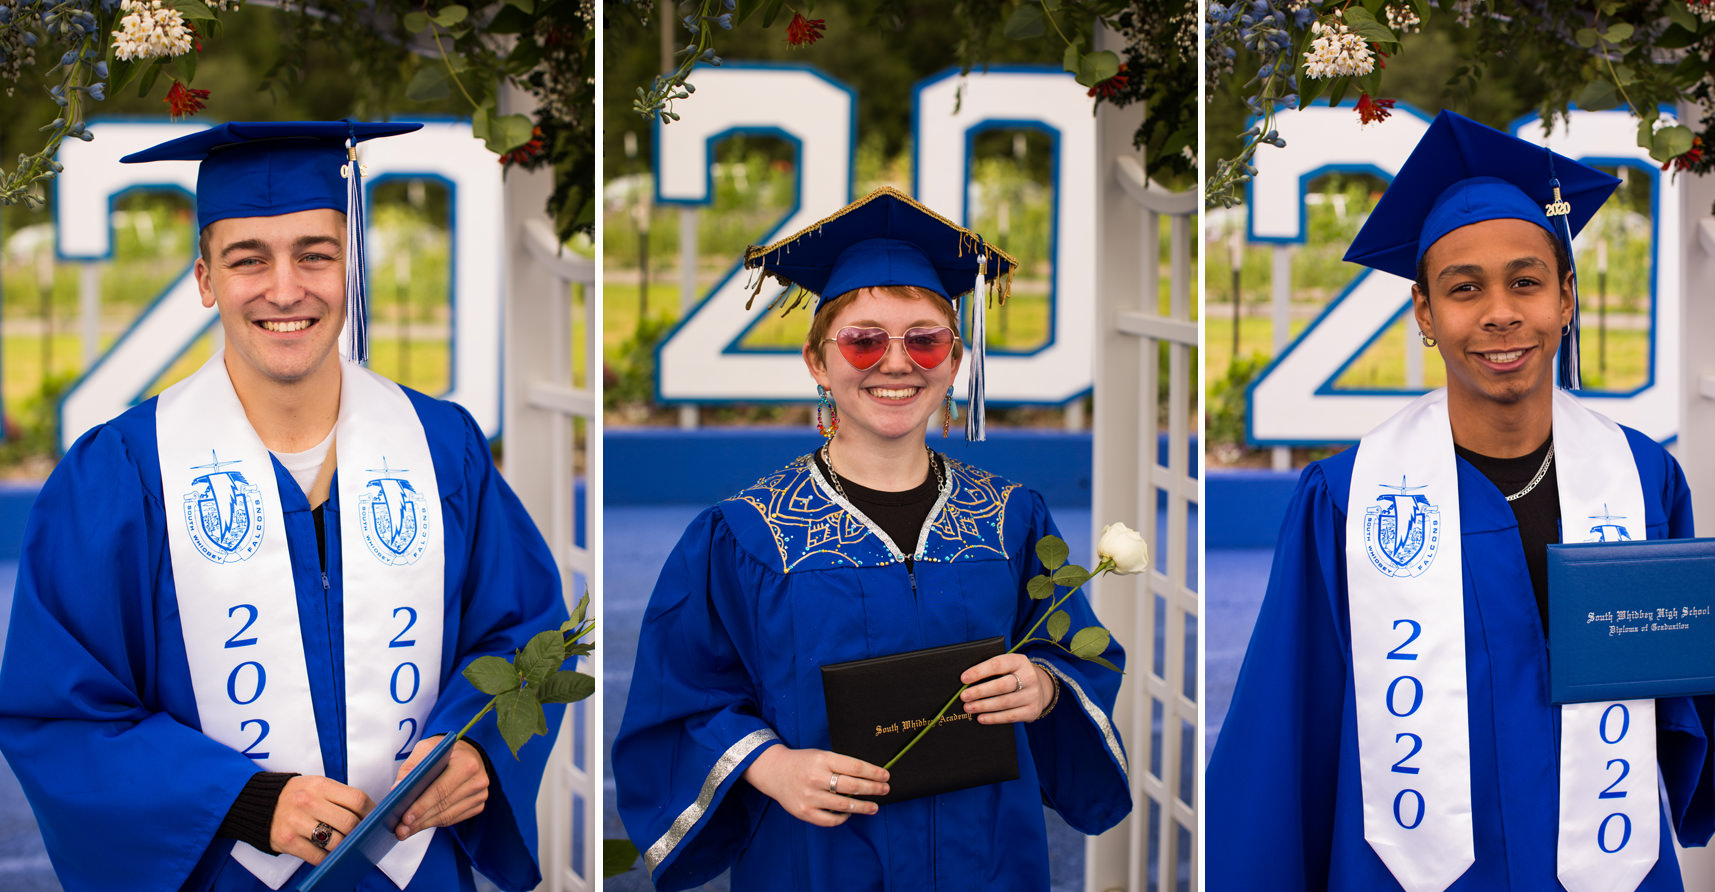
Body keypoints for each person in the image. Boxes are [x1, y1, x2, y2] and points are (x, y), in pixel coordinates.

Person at [1206, 110, 1715, 892]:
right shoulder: (1346, 501)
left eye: (1527, 281)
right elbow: (1286, 729)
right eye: (1464, 288)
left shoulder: (1641, 478)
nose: (1500, 311)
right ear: (1425, 314)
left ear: (1566, 300)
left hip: (1599, 857)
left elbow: (1672, 701)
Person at [0, 122, 566, 892]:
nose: (286, 288)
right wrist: (241, 799)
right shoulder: (124, 474)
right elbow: (63, 712)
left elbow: (521, 629)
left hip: (413, 869)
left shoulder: (440, 449)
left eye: (314, 254)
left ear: (348, 267)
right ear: (204, 280)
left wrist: (478, 748)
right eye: (247, 260)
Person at [611, 187, 1132, 891]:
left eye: (925, 338)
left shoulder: (1012, 521)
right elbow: (681, 698)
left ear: (953, 363)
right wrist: (771, 766)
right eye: (862, 339)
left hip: (988, 860)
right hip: (818, 860)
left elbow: (1072, 648)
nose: (897, 363)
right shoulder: (746, 535)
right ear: (818, 364)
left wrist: (1042, 685)